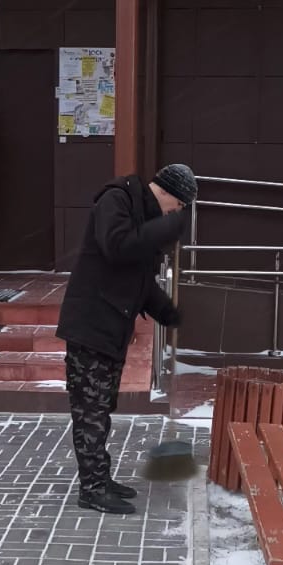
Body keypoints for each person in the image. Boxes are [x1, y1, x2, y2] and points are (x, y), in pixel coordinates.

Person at [57, 163, 196, 515]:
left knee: (101, 408)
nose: (176, 213)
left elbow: (140, 281)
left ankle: (100, 478)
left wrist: (169, 313)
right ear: (166, 192)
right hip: (90, 325)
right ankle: (91, 489)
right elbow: (116, 247)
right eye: (179, 206)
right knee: (90, 411)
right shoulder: (117, 200)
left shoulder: (143, 215)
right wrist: (164, 228)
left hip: (111, 328)